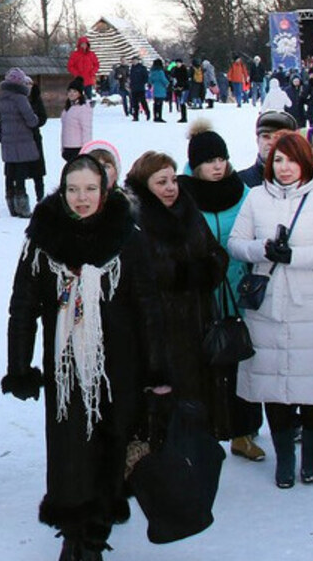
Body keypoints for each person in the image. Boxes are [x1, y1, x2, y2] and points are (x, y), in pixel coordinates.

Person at [4, 155, 165, 560]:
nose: (81, 198)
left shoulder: (127, 236)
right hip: (65, 363)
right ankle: (74, 530)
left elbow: (148, 305)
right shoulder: (43, 239)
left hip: (119, 363)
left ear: (104, 190)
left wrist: (156, 366)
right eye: (73, 189)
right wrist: (20, 366)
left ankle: (95, 533)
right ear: (62, 191)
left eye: (90, 189)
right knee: (70, 447)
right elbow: (22, 304)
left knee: (112, 441)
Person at [228, 130, 313, 488]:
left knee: (309, 384)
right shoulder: (256, 199)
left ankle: (311, 453)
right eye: (278, 159)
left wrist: (294, 256)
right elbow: (235, 243)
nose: (284, 167)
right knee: (272, 383)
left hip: (308, 303)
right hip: (267, 305)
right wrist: (262, 250)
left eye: (291, 159)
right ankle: (284, 458)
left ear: (305, 161)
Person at [125, 152, 230, 433]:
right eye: (161, 182)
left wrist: (206, 270)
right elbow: (140, 273)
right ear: (144, 184)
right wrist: (182, 274)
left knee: (201, 403)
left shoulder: (189, 210)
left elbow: (217, 253)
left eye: (173, 180)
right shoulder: (134, 220)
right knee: (167, 411)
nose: (171, 187)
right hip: (160, 331)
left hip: (199, 323)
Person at [181, 122, 265, 459]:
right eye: (210, 160)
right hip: (197, 298)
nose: (218, 166)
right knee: (200, 369)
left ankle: (244, 432)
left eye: (222, 159)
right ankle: (201, 436)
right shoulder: (182, 194)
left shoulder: (241, 192)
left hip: (236, 293)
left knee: (241, 364)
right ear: (195, 163)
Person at [0, 68, 44, 218]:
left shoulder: (3, 98)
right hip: (22, 142)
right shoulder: (20, 98)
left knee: (10, 173)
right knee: (20, 175)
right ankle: (23, 208)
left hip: (8, 142)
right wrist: (35, 119)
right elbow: (31, 120)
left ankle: (12, 205)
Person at [60, 80, 93, 166]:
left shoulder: (83, 108)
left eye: (75, 91)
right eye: (70, 91)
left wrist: (86, 149)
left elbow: (87, 130)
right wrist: (63, 147)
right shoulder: (67, 108)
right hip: (68, 147)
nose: (71, 94)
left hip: (78, 147)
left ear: (80, 93)